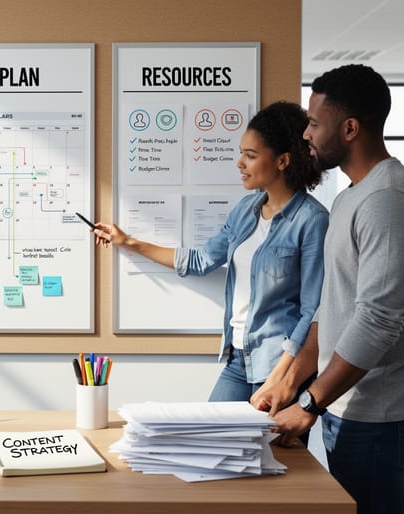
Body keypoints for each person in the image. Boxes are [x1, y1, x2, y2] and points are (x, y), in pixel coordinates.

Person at [251, 64, 404, 514]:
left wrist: (310, 404)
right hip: (350, 402)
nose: (306, 136)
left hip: (382, 410)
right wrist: (293, 382)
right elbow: (331, 308)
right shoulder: (352, 195)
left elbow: (377, 321)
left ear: (350, 128)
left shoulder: (387, 201)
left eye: (315, 123)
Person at [93, 101, 328, 403]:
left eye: (250, 155)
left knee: (271, 451)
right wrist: (128, 242)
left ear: (283, 161)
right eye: (241, 153)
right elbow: (200, 260)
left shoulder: (312, 220)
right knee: (210, 436)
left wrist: (279, 378)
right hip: (238, 358)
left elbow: (312, 311)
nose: (240, 163)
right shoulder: (246, 210)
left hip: (279, 364)